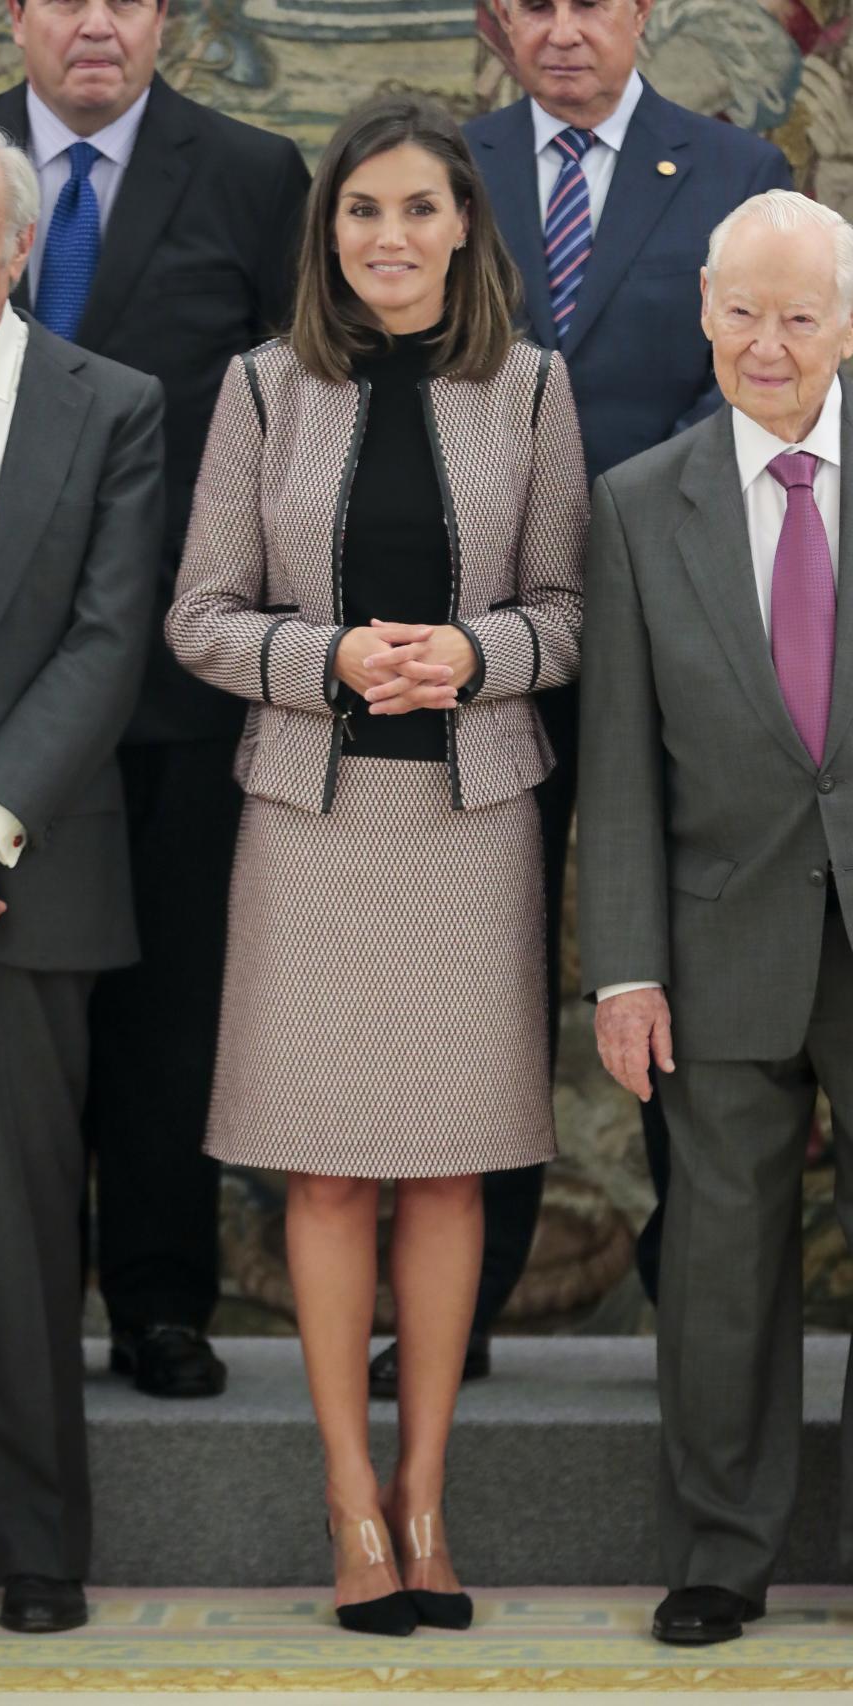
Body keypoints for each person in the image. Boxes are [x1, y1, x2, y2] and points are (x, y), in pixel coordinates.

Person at [166, 94, 587, 1634]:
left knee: (452, 1165)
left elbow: (570, 608)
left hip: (471, 825)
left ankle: (428, 1499)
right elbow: (201, 613)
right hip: (312, 824)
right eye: (361, 212)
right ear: (326, 235)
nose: (388, 237)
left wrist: (476, 654)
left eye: (417, 209)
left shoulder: (532, 390)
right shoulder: (264, 389)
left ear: (465, 227)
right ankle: (351, 1505)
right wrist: (326, 653)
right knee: (328, 1166)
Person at [391, 0, 794, 1384]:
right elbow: (399, 375)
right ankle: (466, 1299)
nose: (563, 30)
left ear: (643, 13)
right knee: (471, 976)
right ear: (499, 21)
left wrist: (625, 524)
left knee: (688, 961)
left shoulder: (737, 174)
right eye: (534, 4)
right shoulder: (440, 165)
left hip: (685, 637)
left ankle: (707, 1299)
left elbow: (758, 391)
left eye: (594, 2)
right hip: (483, 641)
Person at [0, 0, 310, 1400]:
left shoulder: (253, 174)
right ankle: (15, 1316)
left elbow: (293, 405)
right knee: (8, 1026)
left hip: (179, 676)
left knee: (168, 1004)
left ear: (168, 20)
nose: (95, 22)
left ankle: (161, 1299)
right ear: (13, 19)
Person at [0, 117, 163, 1631]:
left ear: (14, 247)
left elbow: (109, 637)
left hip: (33, 872)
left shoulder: (111, 405)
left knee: (31, 1216)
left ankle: (38, 1544)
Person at [578, 187, 853, 1646]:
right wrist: (623, 967)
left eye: (799, 314)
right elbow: (615, 762)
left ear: (849, 328)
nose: (767, 342)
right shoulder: (637, 501)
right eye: (741, 310)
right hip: (716, 936)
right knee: (722, 1267)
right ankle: (722, 1552)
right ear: (702, 312)